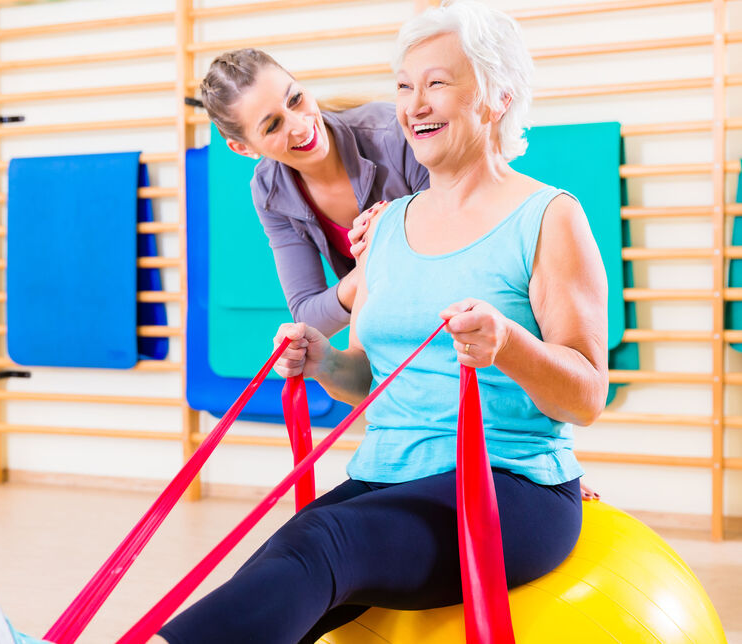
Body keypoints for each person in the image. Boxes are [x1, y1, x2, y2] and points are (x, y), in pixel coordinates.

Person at [154, 2, 608, 642]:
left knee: (322, 541)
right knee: (278, 565)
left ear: (497, 97)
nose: (414, 104)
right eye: (404, 87)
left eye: (437, 84)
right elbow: (368, 380)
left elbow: (587, 397)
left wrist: (508, 344)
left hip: (509, 486)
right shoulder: (385, 228)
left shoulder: (550, 217)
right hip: (389, 474)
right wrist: (321, 361)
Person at [199, 48, 429, 337]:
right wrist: (371, 265)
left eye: (295, 99)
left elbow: (453, 251)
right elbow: (308, 314)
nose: (300, 125)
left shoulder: (394, 136)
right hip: (392, 333)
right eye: (273, 125)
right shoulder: (270, 191)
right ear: (244, 149)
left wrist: (374, 261)